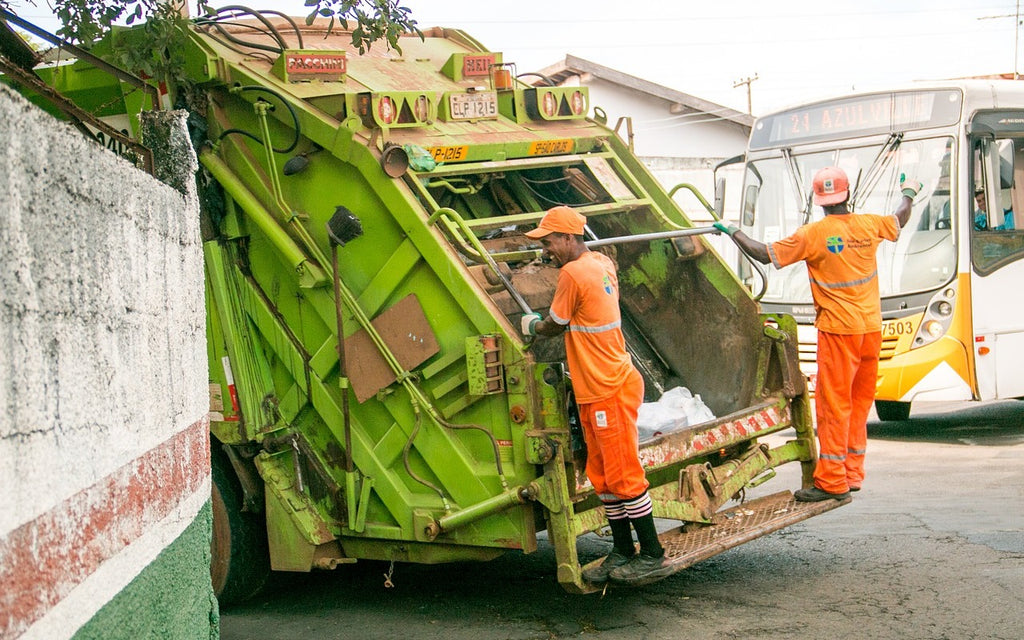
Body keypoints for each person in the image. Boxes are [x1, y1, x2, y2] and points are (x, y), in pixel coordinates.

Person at [715, 167, 918, 502]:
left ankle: (832, 483)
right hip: (870, 329)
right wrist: (909, 191)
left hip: (839, 332)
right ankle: (852, 473)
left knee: (832, 408)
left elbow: (765, 254)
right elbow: (900, 217)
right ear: (848, 194)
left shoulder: (814, 234)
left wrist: (733, 231)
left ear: (818, 200)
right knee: (858, 403)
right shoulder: (870, 224)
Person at [520, 205, 668, 585]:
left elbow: (555, 325)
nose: (546, 248)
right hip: (599, 387)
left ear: (569, 238)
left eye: (550, 240)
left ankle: (651, 553)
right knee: (601, 475)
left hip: (607, 388)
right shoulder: (601, 261)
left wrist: (533, 325)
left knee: (624, 475)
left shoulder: (572, 273)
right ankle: (621, 550)